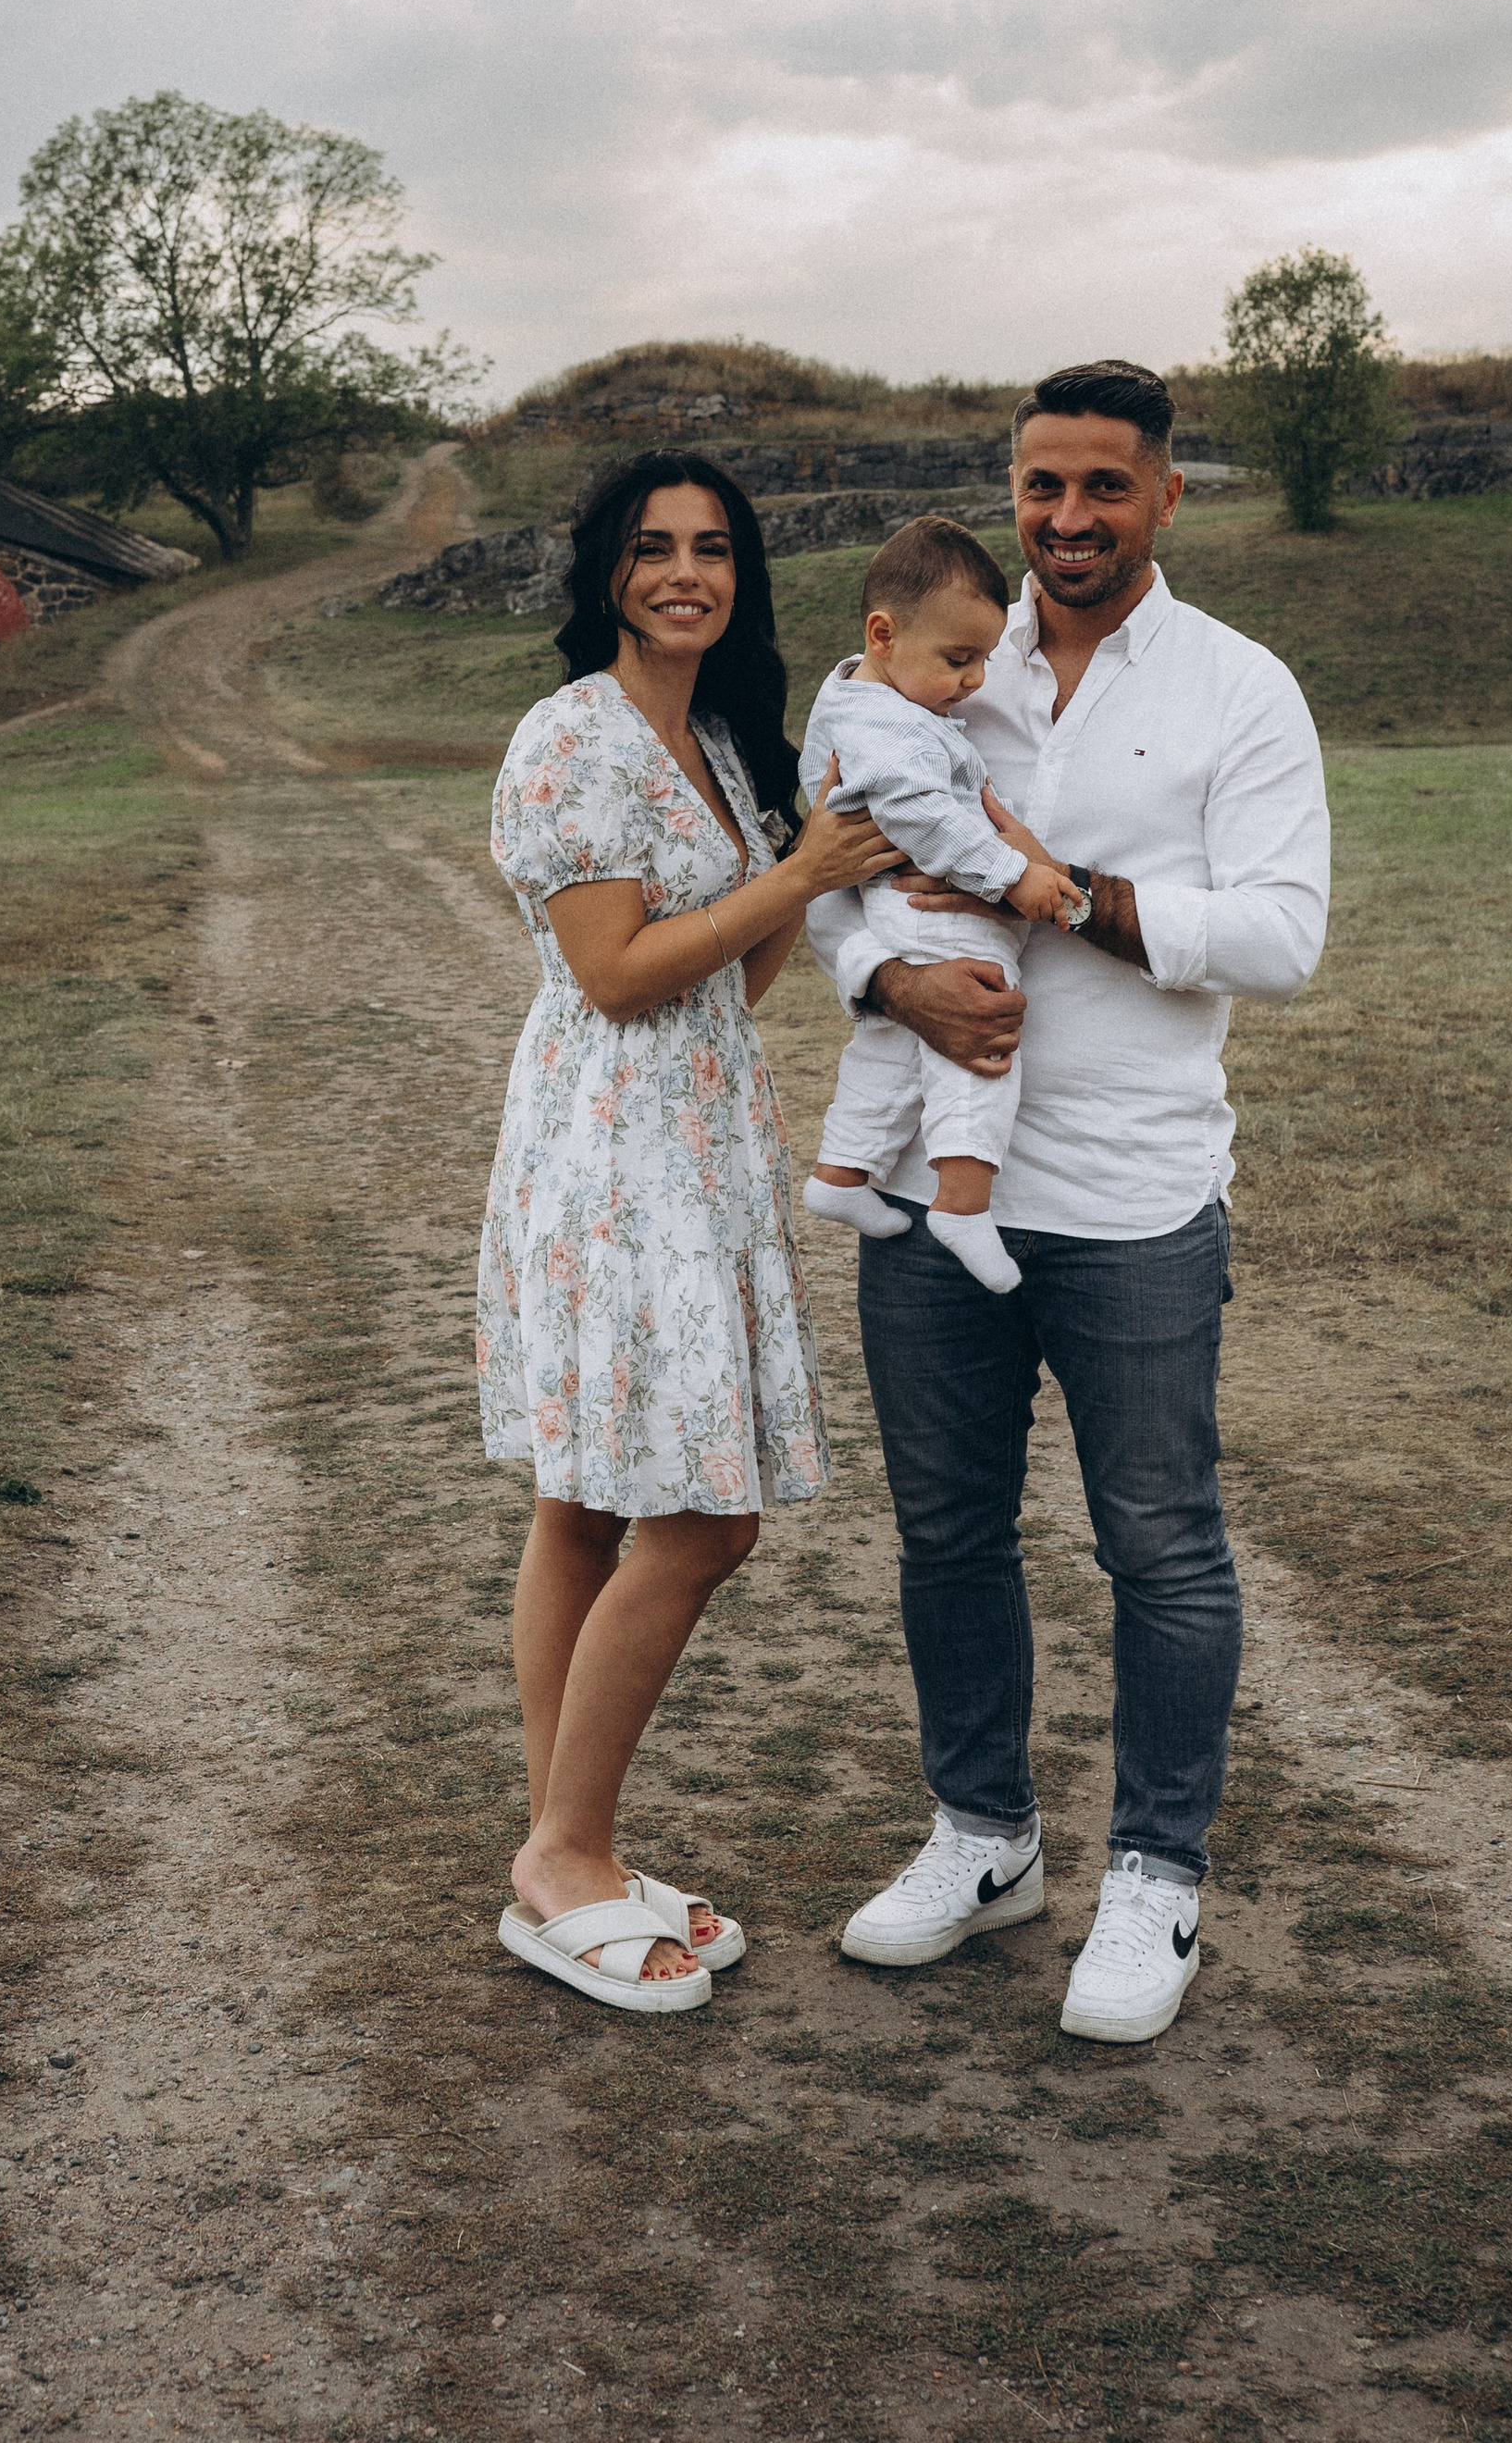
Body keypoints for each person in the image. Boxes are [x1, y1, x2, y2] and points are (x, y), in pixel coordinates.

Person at [807, 361, 1329, 2043]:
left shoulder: (1241, 689)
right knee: (950, 1535)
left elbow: (1280, 934)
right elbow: (835, 886)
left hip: (1131, 1194)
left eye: (1106, 487)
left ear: (1167, 495)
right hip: (930, 1191)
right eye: (1044, 486)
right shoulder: (926, 664)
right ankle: (985, 1836)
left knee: (1160, 1548)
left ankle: (1157, 1881)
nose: (1070, 520)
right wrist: (894, 989)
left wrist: (1072, 898)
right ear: (1011, 491)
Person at [477, 449, 899, 2015]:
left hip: (701, 1138)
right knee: (698, 1518)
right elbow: (616, 971)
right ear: (607, 570)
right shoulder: (571, 736)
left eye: (713, 549)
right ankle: (567, 1852)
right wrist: (796, 868)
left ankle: (561, 1852)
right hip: (609, 1158)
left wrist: (809, 855)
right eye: (653, 548)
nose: (686, 574)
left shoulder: (721, 733)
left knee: (588, 1502)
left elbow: (735, 978)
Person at [798, 516, 1084, 1294]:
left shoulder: (871, 707)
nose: (975, 681)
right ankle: (962, 1202)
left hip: (895, 911)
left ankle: (842, 1172)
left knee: (894, 1046)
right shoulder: (884, 728)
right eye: (959, 660)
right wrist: (1014, 876)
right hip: (939, 910)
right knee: (980, 1038)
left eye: (984, 659)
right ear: (883, 634)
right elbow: (925, 818)